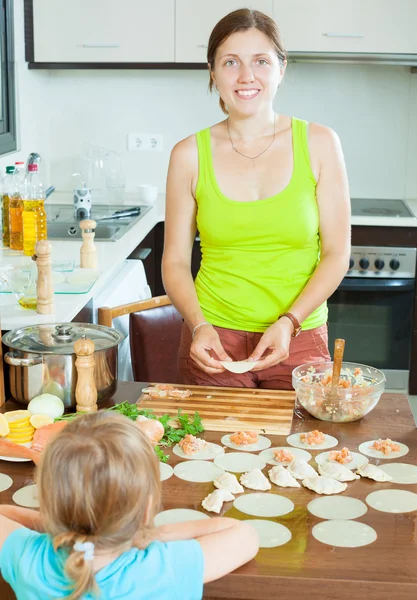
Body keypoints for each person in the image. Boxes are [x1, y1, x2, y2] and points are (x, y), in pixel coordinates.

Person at [162, 8, 351, 390]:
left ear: (281, 68)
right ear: (213, 74)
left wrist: (289, 322)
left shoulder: (319, 144)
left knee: (301, 450)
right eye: (231, 62)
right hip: (213, 340)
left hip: (298, 338)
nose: (246, 76)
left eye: (261, 61)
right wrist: (199, 325)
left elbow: (336, 254)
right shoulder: (188, 154)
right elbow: (176, 261)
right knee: (207, 448)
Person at [0, 412, 258, 600]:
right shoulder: (164, 567)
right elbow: (245, 535)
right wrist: (146, 534)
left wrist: (59, 524)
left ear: (45, 501)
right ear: (146, 510)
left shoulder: (26, 556)